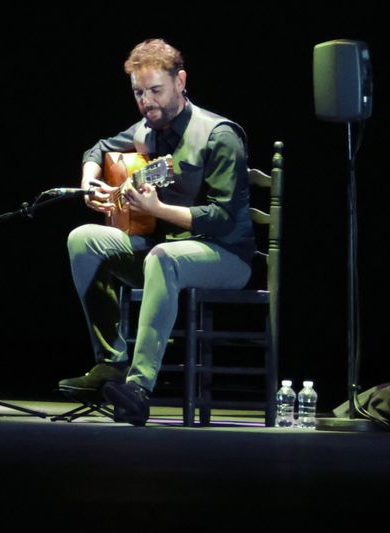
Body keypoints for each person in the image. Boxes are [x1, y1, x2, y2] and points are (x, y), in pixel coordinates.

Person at [60, 38, 255, 426]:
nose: (146, 101)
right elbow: (98, 149)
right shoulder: (147, 129)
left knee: (162, 258)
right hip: (163, 250)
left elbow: (223, 218)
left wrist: (159, 210)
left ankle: (138, 387)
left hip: (226, 256)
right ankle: (111, 364)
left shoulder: (219, 134)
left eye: (155, 91)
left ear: (180, 82)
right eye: (138, 93)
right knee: (83, 238)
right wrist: (89, 184)